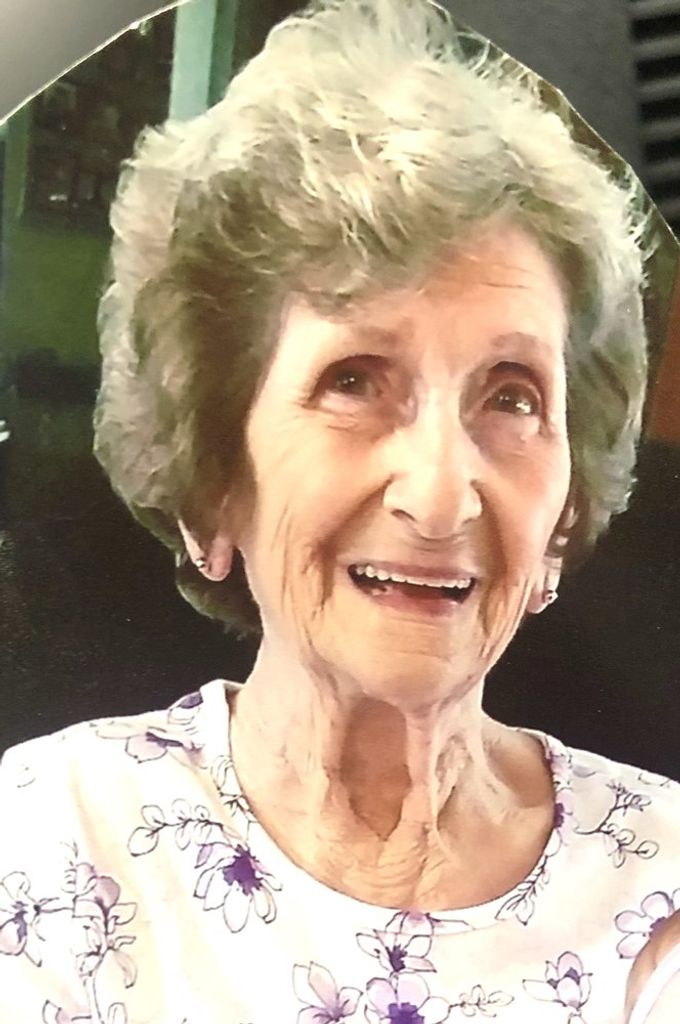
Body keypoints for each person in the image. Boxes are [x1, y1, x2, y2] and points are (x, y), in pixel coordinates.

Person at [1, 1, 678, 1021]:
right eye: (354, 381)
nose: (440, 494)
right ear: (213, 478)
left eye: (510, 398)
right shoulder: (49, 845)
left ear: (562, 513)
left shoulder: (658, 884)